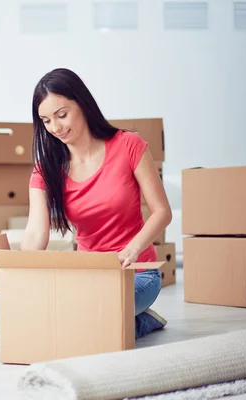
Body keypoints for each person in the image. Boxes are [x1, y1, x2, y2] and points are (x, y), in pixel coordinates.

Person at [22, 68, 172, 339]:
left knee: (87, 317)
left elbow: (162, 212)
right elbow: (35, 232)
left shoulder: (128, 145)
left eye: (62, 115)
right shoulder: (46, 169)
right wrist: (22, 276)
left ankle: (140, 320)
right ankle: (129, 322)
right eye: (46, 121)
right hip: (89, 276)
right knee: (69, 315)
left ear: (82, 103)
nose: (55, 127)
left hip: (137, 273)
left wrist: (133, 249)